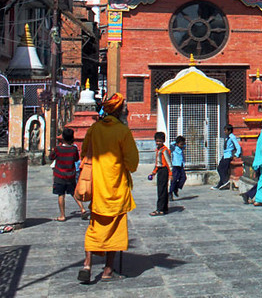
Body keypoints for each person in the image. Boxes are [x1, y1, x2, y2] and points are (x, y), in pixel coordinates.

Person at [78, 93, 139, 283]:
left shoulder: (94, 129)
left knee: (95, 228)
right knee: (115, 231)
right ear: (120, 110)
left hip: (97, 187)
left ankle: (87, 264)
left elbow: (84, 152)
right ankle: (107, 270)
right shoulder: (123, 131)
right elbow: (133, 163)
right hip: (117, 188)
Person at [49, 128, 88, 221]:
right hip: (70, 174)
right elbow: (75, 159)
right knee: (73, 192)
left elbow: (51, 157)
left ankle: (62, 215)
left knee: (61, 194)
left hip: (59, 175)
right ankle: (82, 209)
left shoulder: (58, 149)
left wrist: (53, 150)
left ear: (62, 137)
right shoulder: (74, 149)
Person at [212, 124, 241, 190]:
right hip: (225, 155)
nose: (224, 132)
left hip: (228, 156)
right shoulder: (227, 138)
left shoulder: (232, 137)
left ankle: (224, 182)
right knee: (219, 168)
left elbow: (238, 147)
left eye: (226, 130)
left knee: (223, 169)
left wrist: (236, 155)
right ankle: (221, 183)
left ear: (229, 130)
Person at [149, 132, 172, 216]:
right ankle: (164, 208)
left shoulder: (165, 150)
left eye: (160, 141)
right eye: (157, 141)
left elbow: (169, 163)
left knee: (161, 190)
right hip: (160, 170)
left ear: (163, 141)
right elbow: (157, 163)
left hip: (164, 170)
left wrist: (170, 173)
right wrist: (154, 172)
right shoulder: (158, 150)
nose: (158, 143)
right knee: (162, 189)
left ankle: (160, 209)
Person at [169, 136, 186, 201]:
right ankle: (170, 193)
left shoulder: (182, 148)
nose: (182, 145)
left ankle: (176, 188)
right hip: (176, 166)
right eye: (180, 144)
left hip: (181, 165)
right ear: (177, 143)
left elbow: (185, 145)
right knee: (174, 180)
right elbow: (171, 144)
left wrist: (182, 144)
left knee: (183, 178)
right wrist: (176, 143)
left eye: (183, 144)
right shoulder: (174, 148)